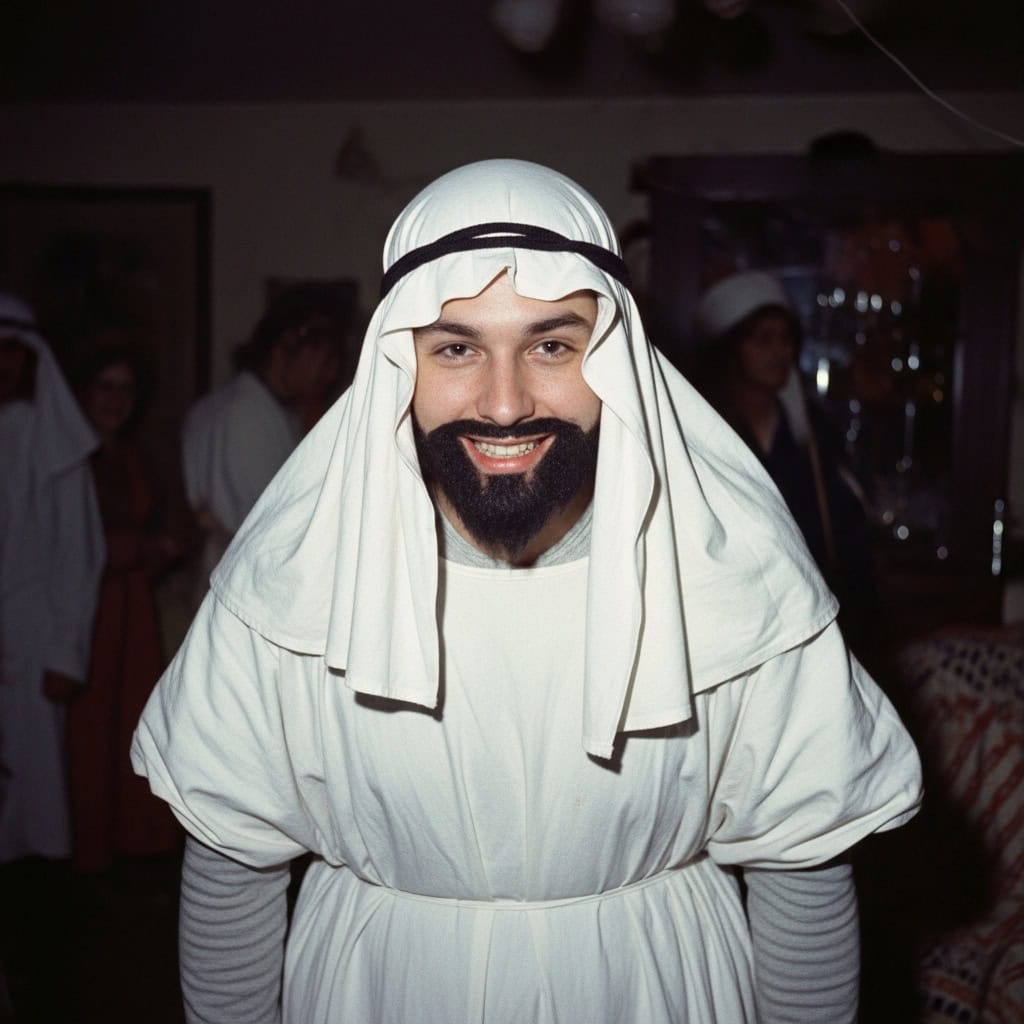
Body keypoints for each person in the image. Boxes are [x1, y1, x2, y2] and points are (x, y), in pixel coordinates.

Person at [132, 160, 922, 1023]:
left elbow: (802, 878)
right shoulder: (285, 585)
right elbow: (231, 876)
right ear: (400, 361)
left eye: (551, 346)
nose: (504, 404)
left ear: (613, 357)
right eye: (457, 348)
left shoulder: (738, 576)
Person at [692, 270, 878, 653]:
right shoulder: (704, 433)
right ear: (731, 348)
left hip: (808, 617)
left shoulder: (814, 435)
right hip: (729, 619)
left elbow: (845, 534)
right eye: (764, 339)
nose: (781, 352)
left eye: (786, 338)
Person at [68, 345, 185, 871]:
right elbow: (76, 545)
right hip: (88, 608)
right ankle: (84, 851)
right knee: (90, 727)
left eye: (126, 390)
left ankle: (130, 846)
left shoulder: (132, 454)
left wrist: (159, 546)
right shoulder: (69, 457)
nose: (115, 400)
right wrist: (136, 547)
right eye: (105, 387)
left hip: (132, 605)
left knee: (130, 720)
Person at [0, 292, 106, 863]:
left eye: (13, 351)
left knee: (33, 783)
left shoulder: (56, 444)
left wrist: (66, 651)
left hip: (33, 635)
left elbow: (78, 555)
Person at [181, 282, 353, 595]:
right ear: (288, 344)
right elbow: (280, 526)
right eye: (326, 358)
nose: (330, 374)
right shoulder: (244, 413)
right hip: (243, 587)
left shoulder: (266, 409)